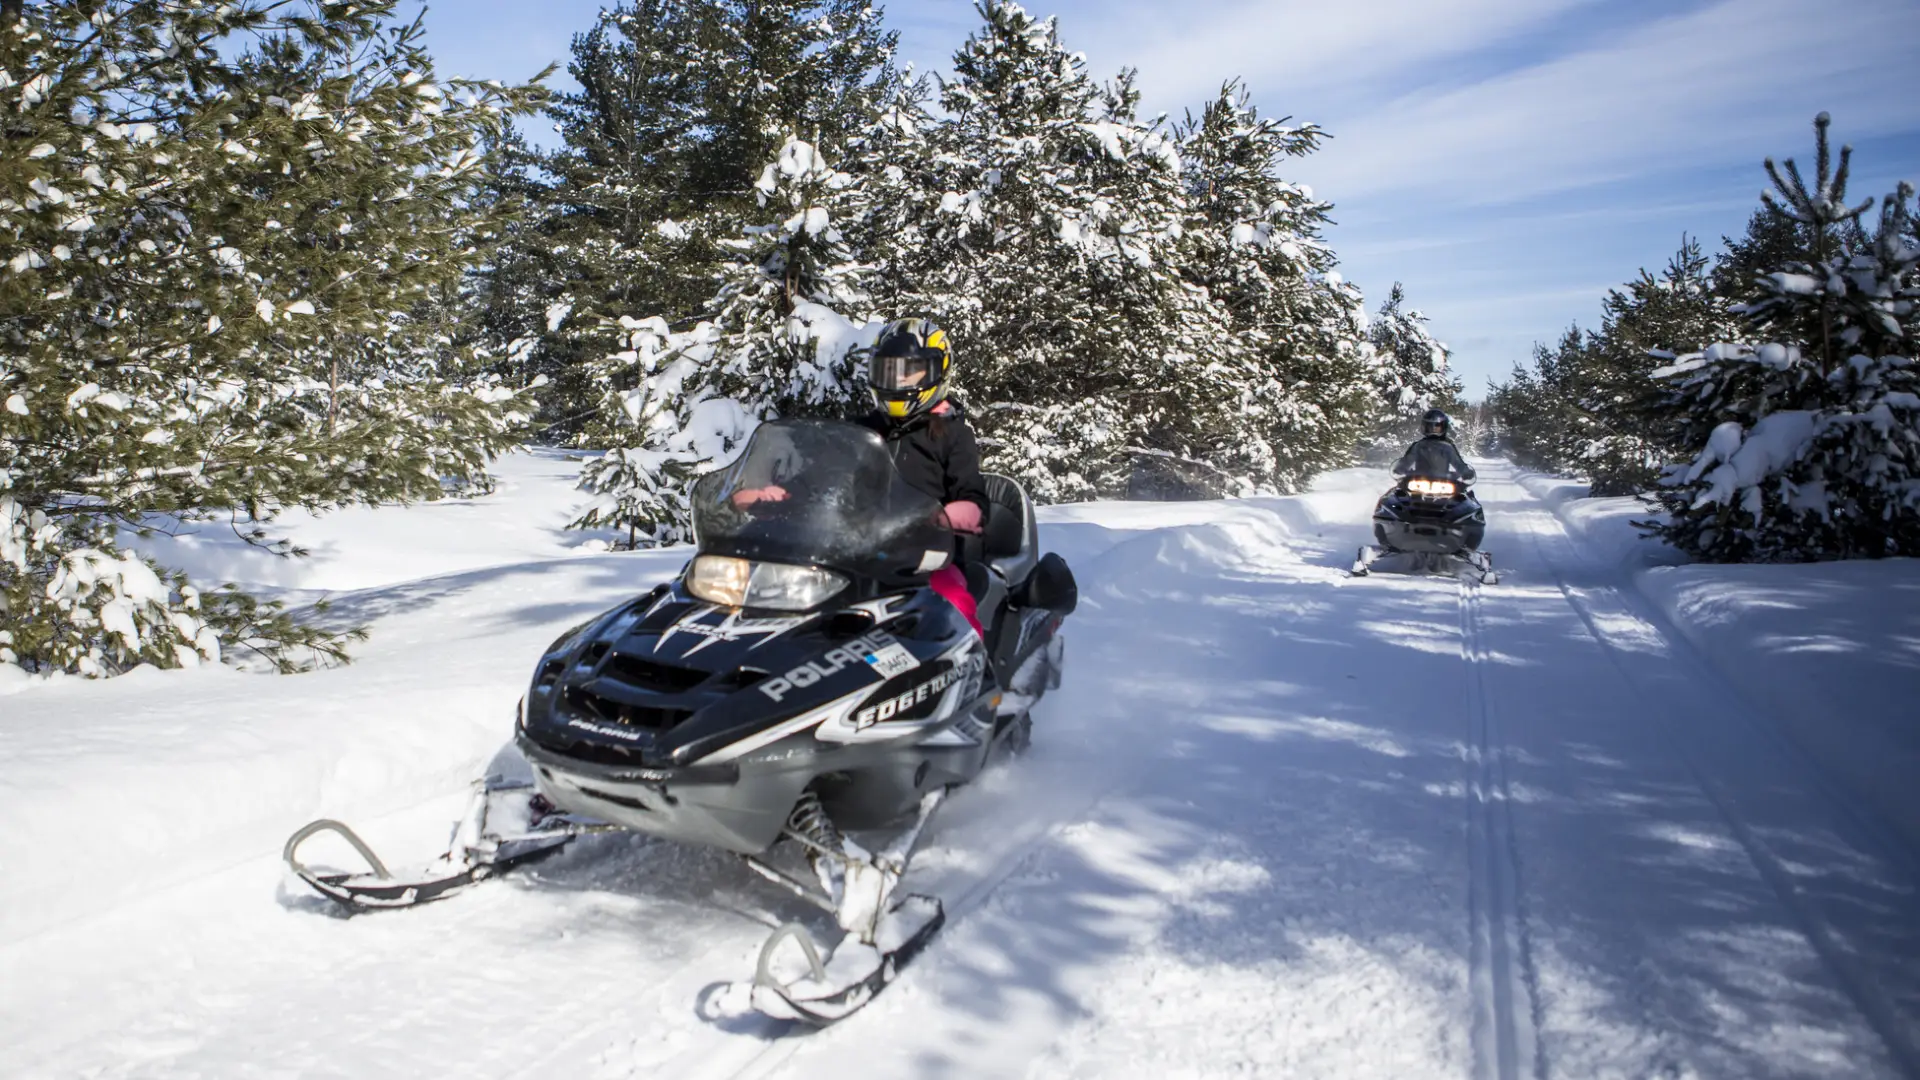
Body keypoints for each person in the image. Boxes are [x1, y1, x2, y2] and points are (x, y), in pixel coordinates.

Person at [857, 318, 991, 636]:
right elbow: (831, 472)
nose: (898, 380)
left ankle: (976, 671)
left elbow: (972, 495)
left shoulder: (952, 434)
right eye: (889, 370)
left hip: (931, 558)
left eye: (909, 370)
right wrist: (783, 493)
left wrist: (953, 515)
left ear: (935, 371)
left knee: (952, 604)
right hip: (862, 552)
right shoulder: (863, 430)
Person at [1393, 408, 1476, 483]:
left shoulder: (1448, 447)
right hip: (1420, 483)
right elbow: (1408, 460)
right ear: (1424, 427)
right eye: (1430, 426)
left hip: (1443, 483)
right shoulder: (1418, 446)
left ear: (1443, 427)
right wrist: (1400, 469)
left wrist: (1466, 473)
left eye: (1437, 426)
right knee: (1397, 496)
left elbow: (1458, 462)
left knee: (1462, 497)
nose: (1433, 429)